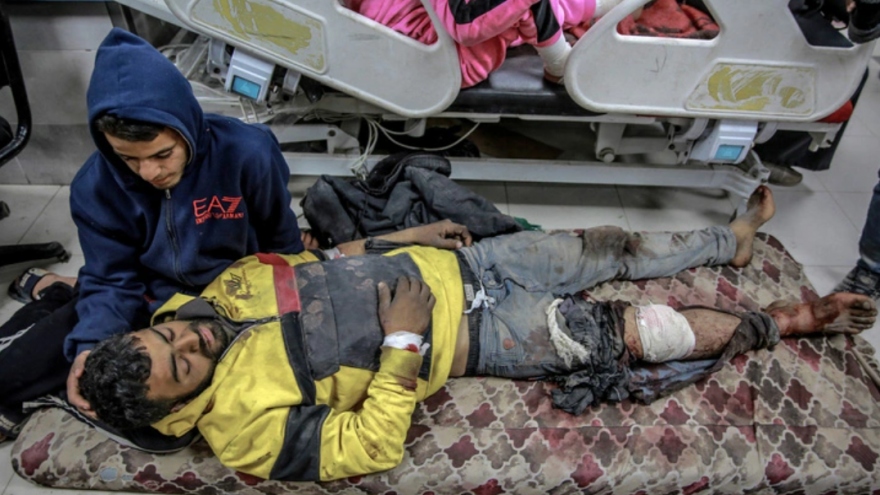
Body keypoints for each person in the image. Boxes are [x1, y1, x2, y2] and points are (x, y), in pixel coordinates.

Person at [80, 186, 878, 481]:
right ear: (176, 409)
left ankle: (727, 242)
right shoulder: (241, 431)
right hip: (487, 331)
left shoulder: (210, 297)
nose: (193, 344)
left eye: (171, 339)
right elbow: (366, 448)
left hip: (470, 262)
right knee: (641, 333)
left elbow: (320, 262)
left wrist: (408, 239)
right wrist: (402, 342)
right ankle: (790, 320)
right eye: (184, 367)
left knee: (612, 245)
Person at [0, 26, 303, 442]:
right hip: (149, 304)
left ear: (188, 127)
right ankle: (61, 292)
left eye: (163, 154)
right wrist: (90, 344)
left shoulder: (248, 151)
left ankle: (59, 288)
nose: (149, 172)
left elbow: (281, 240)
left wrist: (293, 299)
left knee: (211, 420)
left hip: (233, 297)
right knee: (51, 376)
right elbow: (112, 278)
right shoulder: (94, 187)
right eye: (128, 158)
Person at [347, 0, 633, 88]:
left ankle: (600, 5)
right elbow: (466, 24)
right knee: (519, 6)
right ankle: (559, 64)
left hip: (416, 28)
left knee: (523, 10)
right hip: (435, 57)